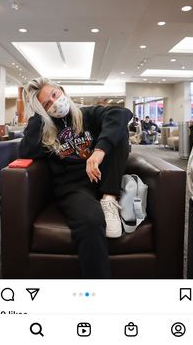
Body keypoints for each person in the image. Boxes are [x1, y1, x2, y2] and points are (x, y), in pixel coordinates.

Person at [20, 77, 133, 278]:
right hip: (73, 188)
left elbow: (122, 113)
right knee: (91, 221)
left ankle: (109, 198)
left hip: (104, 179)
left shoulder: (87, 114)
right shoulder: (45, 128)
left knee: (119, 132)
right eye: (47, 104)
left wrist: (100, 150)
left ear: (62, 90)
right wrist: (38, 116)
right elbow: (26, 150)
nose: (55, 103)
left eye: (55, 95)